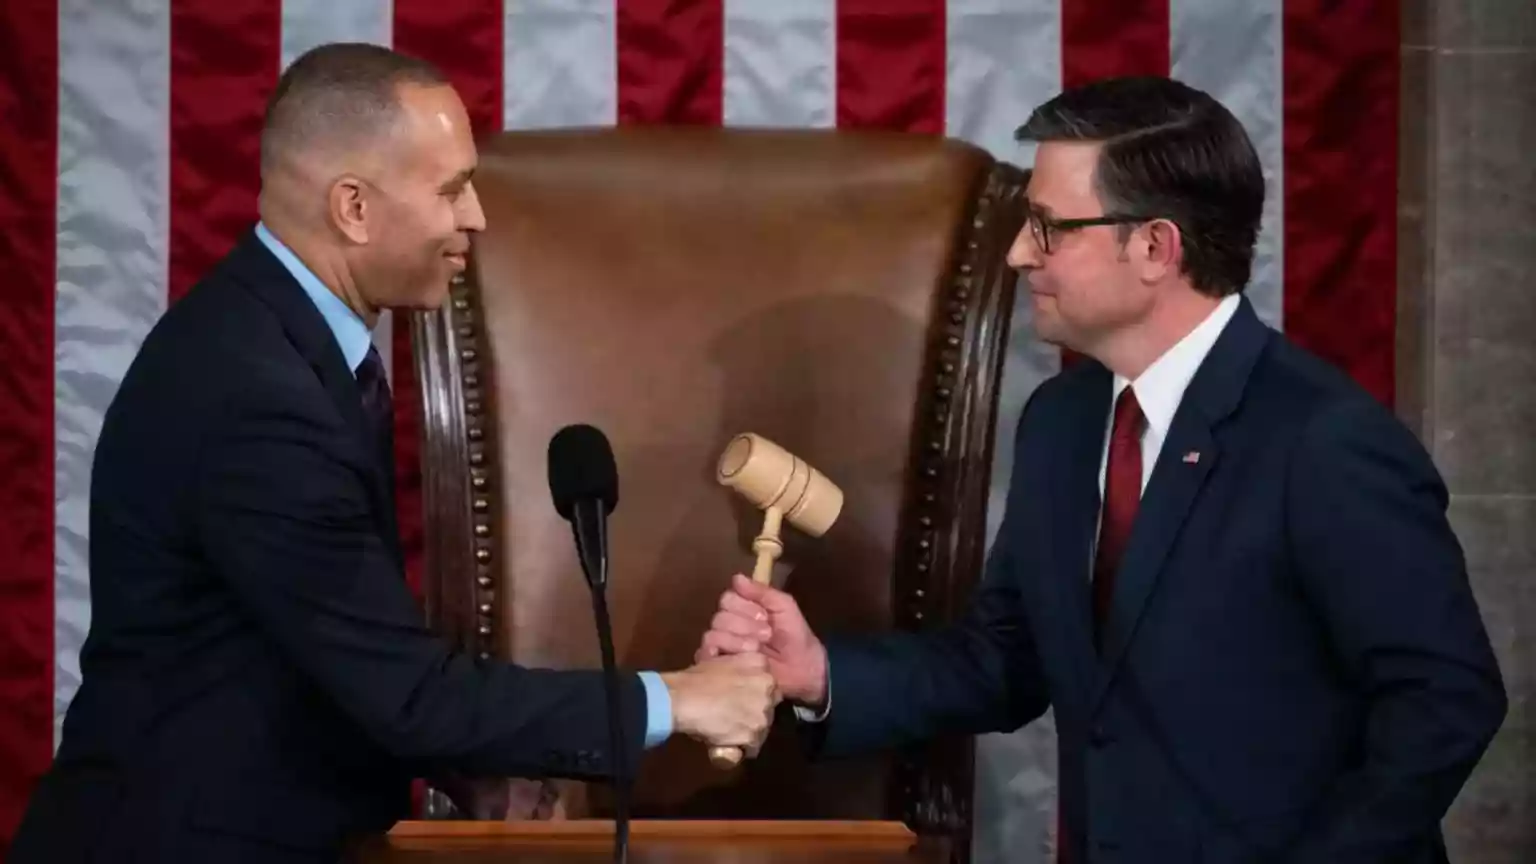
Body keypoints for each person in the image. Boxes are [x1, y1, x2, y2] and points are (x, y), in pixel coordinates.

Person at [696, 76, 1506, 863]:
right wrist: (819, 672)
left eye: (1049, 228)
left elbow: (1445, 702)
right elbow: (1003, 660)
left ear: (1155, 247)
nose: (1018, 253)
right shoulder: (1065, 422)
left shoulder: (1324, 441)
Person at [11, 43, 778, 864]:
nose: (476, 216)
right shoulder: (256, 394)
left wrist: (475, 768)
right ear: (354, 209)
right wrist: (678, 701)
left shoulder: (280, 344)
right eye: (451, 189)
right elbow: (406, 693)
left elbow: (318, 650)